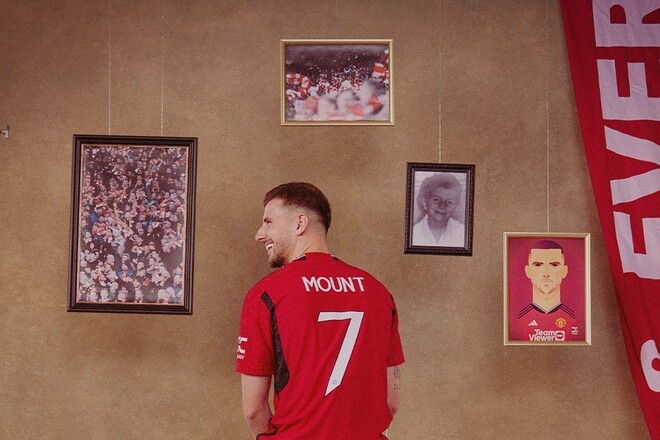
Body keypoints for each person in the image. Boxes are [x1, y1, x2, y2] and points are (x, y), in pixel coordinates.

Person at [236, 182, 405, 439]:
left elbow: (253, 411)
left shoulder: (267, 293)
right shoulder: (378, 292)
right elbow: (390, 402)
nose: (260, 235)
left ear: (300, 223)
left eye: (268, 222)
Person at [513, 240, 579, 342]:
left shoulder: (575, 320)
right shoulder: (517, 322)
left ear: (564, 271)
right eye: (538, 265)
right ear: (528, 271)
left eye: (554, 265)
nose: (546, 273)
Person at [412, 173, 465, 247]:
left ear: (457, 207)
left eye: (449, 202)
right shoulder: (413, 233)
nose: (442, 206)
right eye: (436, 200)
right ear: (424, 203)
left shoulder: (462, 233)